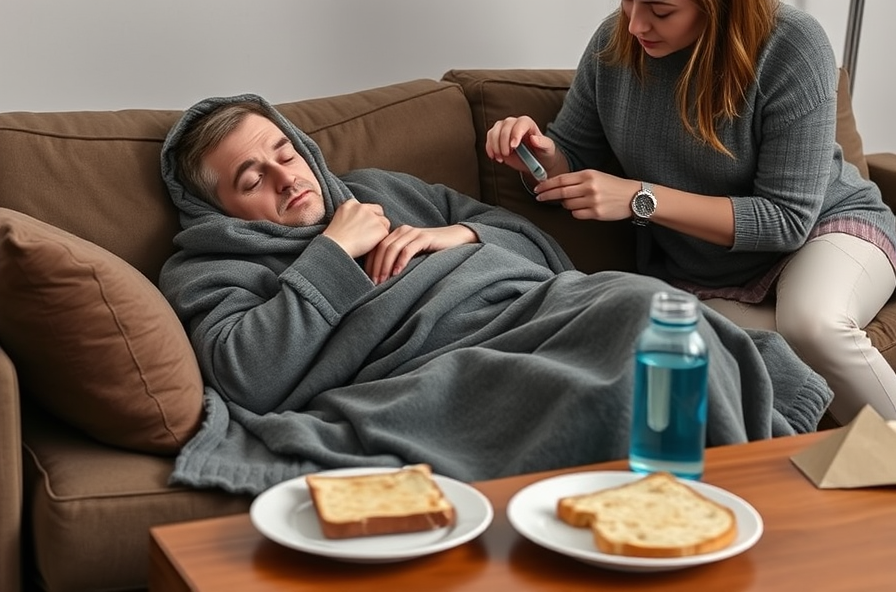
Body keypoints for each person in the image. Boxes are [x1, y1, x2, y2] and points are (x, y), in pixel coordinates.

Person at [157, 93, 830, 495]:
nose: (285, 176)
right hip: (449, 365)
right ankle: (719, 508)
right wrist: (334, 252)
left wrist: (457, 237)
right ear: (218, 209)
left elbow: (540, 248)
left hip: (549, 305)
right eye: (251, 178)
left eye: (284, 151)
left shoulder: (381, 188)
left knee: (653, 314)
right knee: (640, 341)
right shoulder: (211, 266)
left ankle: (718, 505)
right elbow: (244, 375)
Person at [486, 0, 896, 425]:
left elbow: (786, 220)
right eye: (629, 1)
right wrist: (542, 158)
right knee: (692, 347)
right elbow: (573, 156)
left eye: (661, 11)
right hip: (711, 278)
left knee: (812, 326)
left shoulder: (791, 43)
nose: (636, 24)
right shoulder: (614, 43)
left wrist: (638, 198)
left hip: (827, 230)